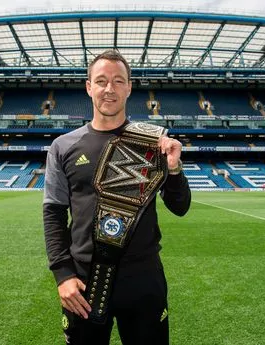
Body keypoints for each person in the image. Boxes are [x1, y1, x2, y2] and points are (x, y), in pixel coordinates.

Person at [43, 50, 191, 345]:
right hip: (85, 280)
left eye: (118, 81)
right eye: (101, 81)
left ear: (129, 86)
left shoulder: (153, 141)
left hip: (143, 277)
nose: (109, 89)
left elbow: (180, 206)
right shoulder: (63, 146)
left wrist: (173, 169)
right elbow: (54, 213)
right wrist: (62, 274)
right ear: (89, 87)